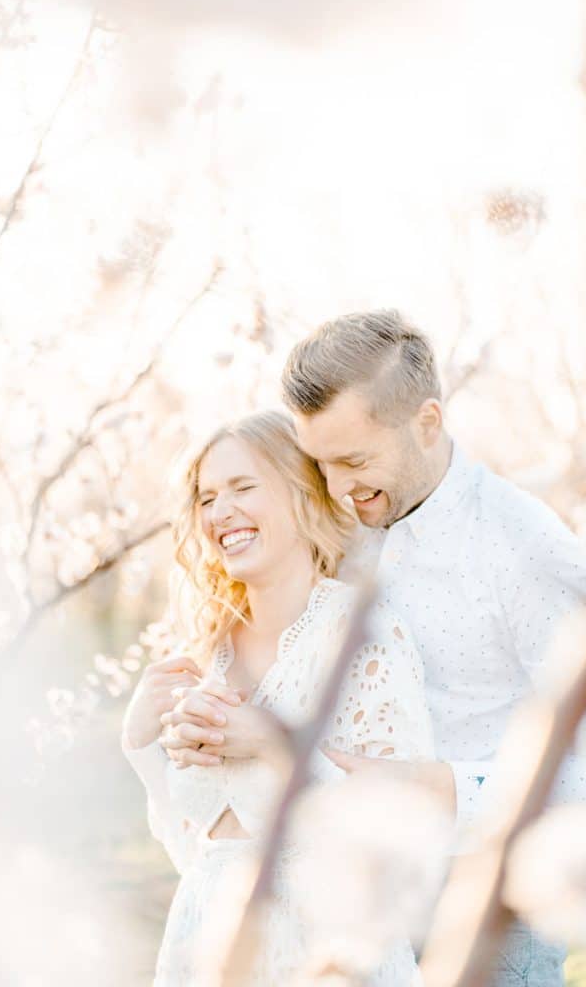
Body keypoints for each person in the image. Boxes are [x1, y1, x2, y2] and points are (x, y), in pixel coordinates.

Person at [171, 310, 586, 986]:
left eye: (354, 461)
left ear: (426, 422)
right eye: (318, 465)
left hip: (485, 912)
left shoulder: (524, 548)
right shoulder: (342, 521)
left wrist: (441, 786)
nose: (334, 487)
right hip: (348, 903)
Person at [122, 410, 435, 986]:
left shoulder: (361, 632)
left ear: (302, 495)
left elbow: (400, 840)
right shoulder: (202, 654)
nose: (220, 512)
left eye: (243, 487)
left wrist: (276, 745)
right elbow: (201, 857)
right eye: (206, 496)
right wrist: (141, 743)